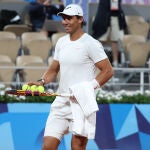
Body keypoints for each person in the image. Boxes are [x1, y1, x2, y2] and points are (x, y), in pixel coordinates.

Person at [28, 4, 114, 150]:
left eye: (69, 18)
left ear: (80, 19)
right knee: (47, 146)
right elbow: (53, 70)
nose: (64, 21)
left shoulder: (91, 44)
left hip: (81, 104)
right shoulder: (61, 42)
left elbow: (108, 71)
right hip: (61, 103)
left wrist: (86, 89)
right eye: (63, 18)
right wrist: (41, 82)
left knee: (77, 147)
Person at [92, 0, 127, 67]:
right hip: (103, 17)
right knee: (100, 40)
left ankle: (115, 62)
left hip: (116, 17)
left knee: (115, 40)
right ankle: (97, 61)